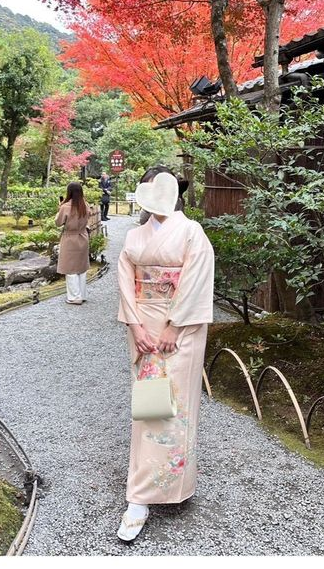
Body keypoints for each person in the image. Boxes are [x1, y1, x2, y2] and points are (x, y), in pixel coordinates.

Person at [115, 169, 215, 542]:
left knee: (178, 406)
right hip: (143, 325)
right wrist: (135, 326)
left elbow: (197, 279)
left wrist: (175, 325)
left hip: (181, 331)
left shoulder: (192, 233)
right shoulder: (134, 236)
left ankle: (173, 485)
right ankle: (139, 497)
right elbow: (126, 281)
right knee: (150, 406)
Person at [55, 181, 92, 305]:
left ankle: (75, 297)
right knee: (81, 267)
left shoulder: (65, 207)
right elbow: (88, 217)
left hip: (70, 238)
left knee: (70, 268)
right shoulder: (85, 205)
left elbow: (58, 222)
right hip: (83, 236)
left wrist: (59, 208)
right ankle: (82, 294)